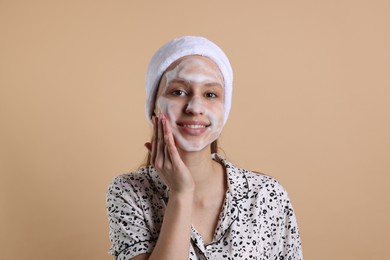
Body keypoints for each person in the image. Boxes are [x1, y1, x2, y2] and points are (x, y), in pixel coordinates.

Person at [106, 36, 303, 260]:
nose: (195, 107)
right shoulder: (129, 192)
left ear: (224, 111)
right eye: (178, 92)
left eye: (210, 94)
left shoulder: (267, 195)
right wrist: (181, 194)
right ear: (153, 108)